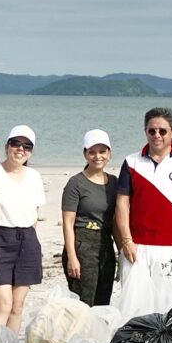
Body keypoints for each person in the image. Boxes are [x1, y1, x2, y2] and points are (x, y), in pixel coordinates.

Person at [113, 107, 172, 316]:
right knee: (133, 310)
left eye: (162, 131)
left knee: (166, 310)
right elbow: (121, 205)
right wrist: (126, 241)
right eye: (152, 131)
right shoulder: (131, 162)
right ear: (145, 132)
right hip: (137, 248)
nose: (157, 136)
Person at [0, 125, 47, 331]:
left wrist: (30, 242)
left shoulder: (34, 176)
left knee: (17, 306)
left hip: (27, 240)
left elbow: (34, 215)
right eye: (16, 144)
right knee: (3, 303)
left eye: (27, 146)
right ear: (7, 146)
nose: (21, 149)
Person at [60, 129, 119, 308]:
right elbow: (68, 223)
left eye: (102, 151)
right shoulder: (76, 183)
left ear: (109, 153)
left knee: (103, 302)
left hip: (105, 245)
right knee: (83, 302)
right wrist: (72, 257)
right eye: (92, 152)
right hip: (82, 243)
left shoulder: (114, 182)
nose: (97, 156)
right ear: (85, 154)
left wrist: (122, 251)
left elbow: (116, 222)